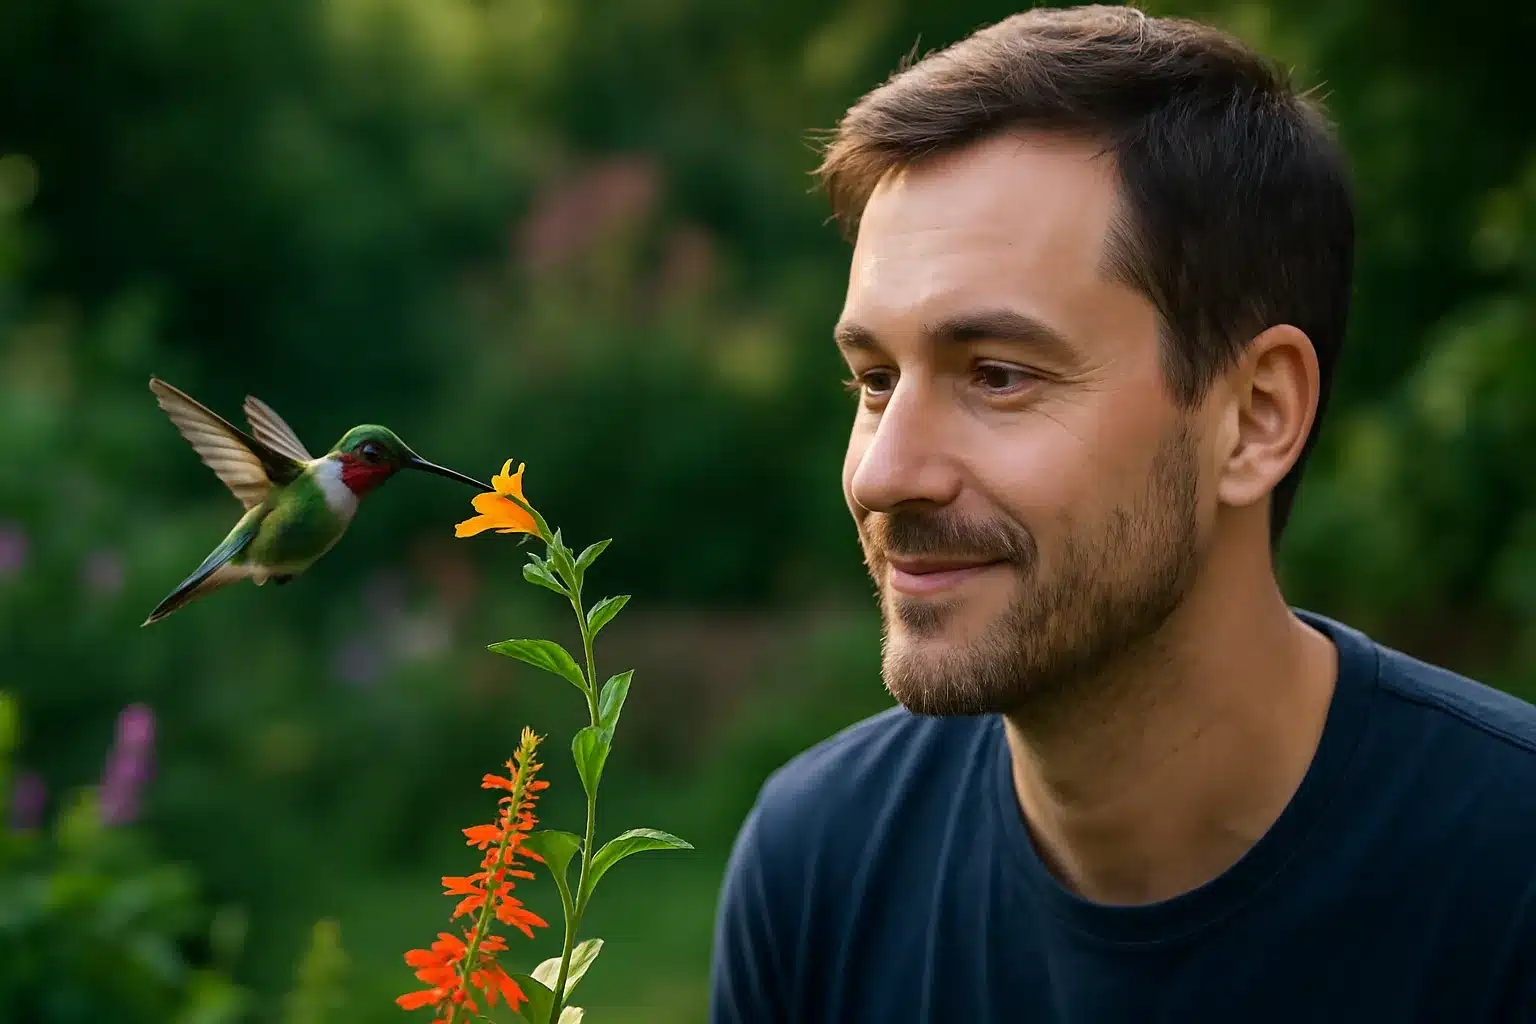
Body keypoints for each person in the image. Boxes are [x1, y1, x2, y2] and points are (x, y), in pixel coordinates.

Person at [707, 6, 1536, 1022]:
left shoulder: (1509, 881)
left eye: (999, 375)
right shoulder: (818, 872)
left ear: (1255, 416)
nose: (886, 473)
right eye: (875, 379)